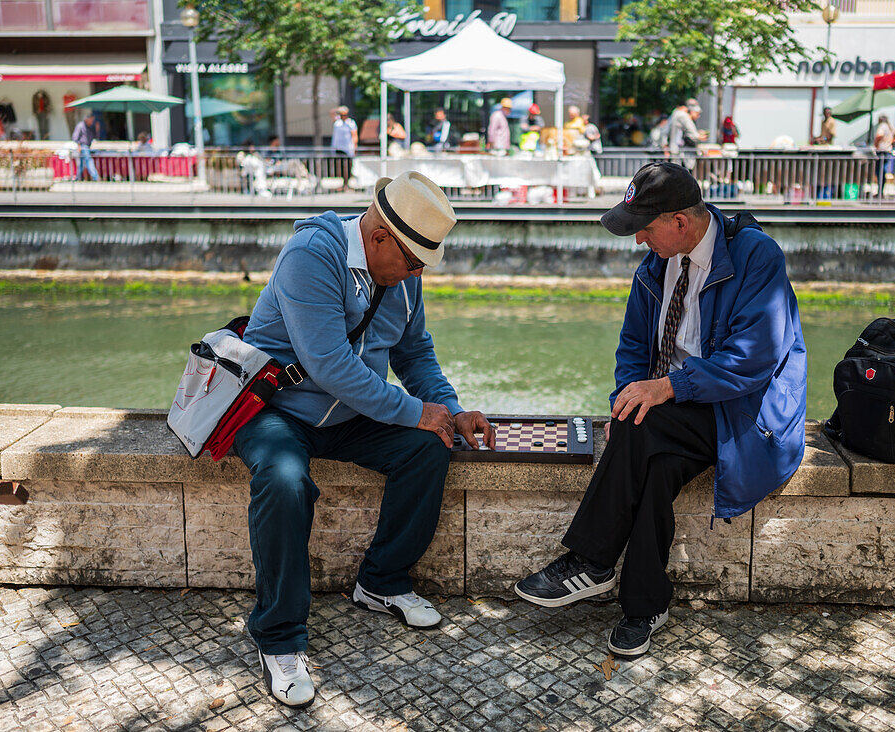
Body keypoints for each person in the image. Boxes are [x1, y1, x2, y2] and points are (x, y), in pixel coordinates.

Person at [515, 162, 806, 659]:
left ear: (679, 222)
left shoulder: (756, 256)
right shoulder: (655, 266)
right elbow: (631, 351)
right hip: (675, 415)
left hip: (744, 416)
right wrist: (630, 397)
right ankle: (644, 608)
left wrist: (666, 388)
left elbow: (753, 359)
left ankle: (591, 560)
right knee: (652, 461)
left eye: (644, 230)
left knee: (641, 428)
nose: (637, 242)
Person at [235, 170, 496, 708]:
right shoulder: (312, 254)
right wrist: (412, 410)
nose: (417, 273)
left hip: (349, 416)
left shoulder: (404, 272)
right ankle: (279, 638)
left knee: (429, 447)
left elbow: (415, 353)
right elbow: (328, 363)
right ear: (379, 237)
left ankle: (381, 580)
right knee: (285, 481)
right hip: (277, 409)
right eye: (412, 262)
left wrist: (449, 411)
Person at [667, 99, 707, 166]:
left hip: (677, 149)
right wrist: (699, 136)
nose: (698, 116)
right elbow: (692, 131)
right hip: (678, 150)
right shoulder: (682, 115)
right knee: (678, 171)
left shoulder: (676, 113)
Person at [330, 106, 358, 191]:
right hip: (338, 147)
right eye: (342, 114)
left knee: (347, 167)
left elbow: (354, 135)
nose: (344, 116)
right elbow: (331, 112)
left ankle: (346, 184)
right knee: (339, 167)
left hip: (347, 148)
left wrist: (355, 147)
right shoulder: (337, 122)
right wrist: (339, 109)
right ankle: (343, 184)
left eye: (345, 114)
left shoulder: (351, 123)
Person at [873, 114, 895, 196]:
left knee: (879, 171)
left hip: (881, 150)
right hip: (888, 150)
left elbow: (879, 135)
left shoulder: (882, 126)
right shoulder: (890, 126)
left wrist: (876, 144)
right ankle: (881, 190)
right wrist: (890, 142)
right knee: (883, 171)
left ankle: (880, 191)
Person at [71, 112, 100, 182]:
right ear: (87, 119)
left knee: (81, 164)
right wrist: (79, 145)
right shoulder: (80, 126)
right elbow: (75, 137)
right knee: (88, 160)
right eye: (91, 120)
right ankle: (95, 177)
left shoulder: (90, 127)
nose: (92, 122)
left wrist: (97, 129)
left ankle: (78, 177)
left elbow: (95, 137)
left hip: (88, 146)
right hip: (83, 146)